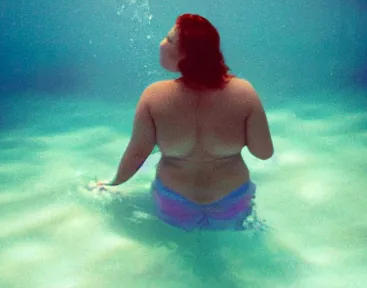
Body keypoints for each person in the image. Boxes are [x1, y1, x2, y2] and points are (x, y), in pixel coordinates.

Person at [90, 13, 274, 231]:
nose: (162, 43)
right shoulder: (244, 92)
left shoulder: (154, 96)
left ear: (187, 55)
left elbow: (138, 154)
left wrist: (113, 182)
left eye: (169, 39)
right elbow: (263, 152)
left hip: (174, 202)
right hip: (232, 201)